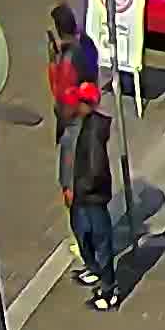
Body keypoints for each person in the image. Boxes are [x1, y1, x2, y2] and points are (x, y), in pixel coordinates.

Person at [60, 79, 121, 308]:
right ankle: (94, 269)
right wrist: (66, 185)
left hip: (90, 197)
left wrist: (80, 189)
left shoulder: (92, 130)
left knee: (100, 239)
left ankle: (109, 290)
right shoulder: (76, 124)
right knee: (82, 234)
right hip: (78, 194)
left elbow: (95, 168)